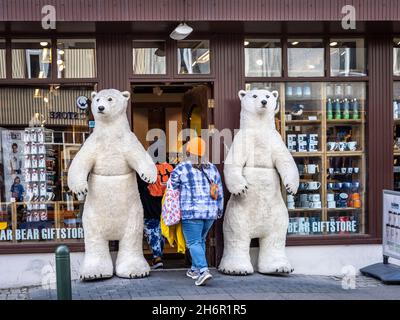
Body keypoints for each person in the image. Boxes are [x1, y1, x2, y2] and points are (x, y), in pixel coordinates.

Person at [169, 137, 224, 286]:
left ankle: (203, 271)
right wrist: (219, 210)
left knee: (193, 242)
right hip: (210, 213)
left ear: (188, 152)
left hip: (191, 213)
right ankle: (194, 269)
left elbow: (171, 189)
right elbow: (219, 192)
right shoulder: (212, 168)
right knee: (200, 240)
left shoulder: (181, 168)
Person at [137, 162, 174, 269]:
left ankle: (157, 258)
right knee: (161, 234)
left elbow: (139, 187)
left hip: (149, 209)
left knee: (152, 234)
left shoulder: (145, 173)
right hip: (164, 208)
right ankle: (158, 257)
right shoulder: (169, 169)